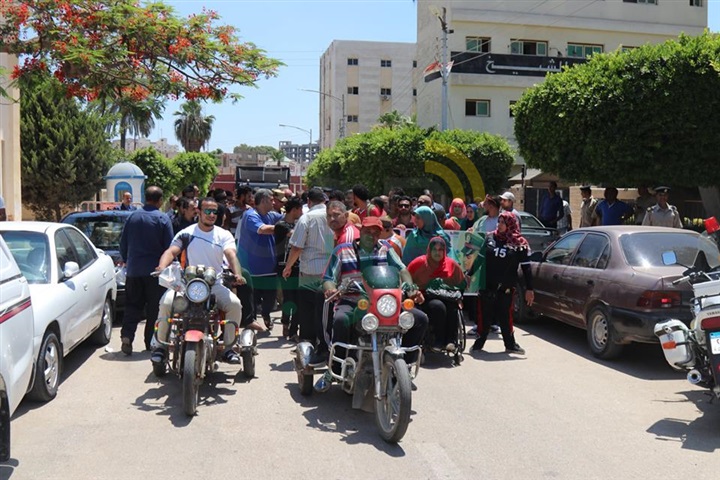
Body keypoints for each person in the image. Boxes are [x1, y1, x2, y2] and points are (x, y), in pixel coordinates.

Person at [320, 217, 428, 371]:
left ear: (380, 234)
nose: (371, 235)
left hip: (384, 302)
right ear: (360, 231)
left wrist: (411, 289)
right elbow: (328, 278)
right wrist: (331, 289)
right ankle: (336, 367)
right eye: (367, 231)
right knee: (340, 320)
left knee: (419, 319)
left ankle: (404, 363)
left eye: (376, 233)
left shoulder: (386, 248)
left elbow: (401, 269)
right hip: (353, 299)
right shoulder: (342, 250)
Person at [152, 197, 246, 364]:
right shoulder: (187, 233)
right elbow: (171, 251)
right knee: (166, 304)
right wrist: (161, 267)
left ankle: (228, 348)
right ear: (199, 212)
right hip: (186, 285)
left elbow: (231, 255)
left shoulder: (223, 235)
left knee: (235, 305)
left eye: (214, 212)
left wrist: (237, 273)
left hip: (214, 285)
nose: (211, 215)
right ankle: (161, 347)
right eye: (207, 211)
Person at [118, 186, 174, 354]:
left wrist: (128, 261)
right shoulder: (163, 219)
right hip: (156, 273)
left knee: (132, 306)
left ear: (145, 197)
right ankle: (150, 342)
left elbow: (123, 244)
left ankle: (127, 336)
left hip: (134, 271)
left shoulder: (132, 217)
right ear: (160, 200)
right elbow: (170, 248)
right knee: (154, 309)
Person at [472, 211, 534, 355]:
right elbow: (480, 259)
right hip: (487, 285)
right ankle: (479, 343)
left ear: (510, 224)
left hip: (506, 287)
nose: (499, 225)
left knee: (505, 316)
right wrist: (469, 275)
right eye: (498, 222)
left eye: (502, 222)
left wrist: (529, 289)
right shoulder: (489, 238)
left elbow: (526, 268)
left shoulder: (520, 244)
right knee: (484, 317)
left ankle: (510, 344)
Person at [282, 188, 334, 351]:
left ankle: (309, 344)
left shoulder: (306, 219)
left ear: (309, 201)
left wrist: (288, 267)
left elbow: (296, 247)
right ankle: (325, 344)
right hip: (331, 271)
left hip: (310, 271)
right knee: (327, 310)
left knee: (308, 311)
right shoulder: (333, 217)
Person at [407, 237, 466, 352]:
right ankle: (437, 341)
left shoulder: (451, 265)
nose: (437, 253)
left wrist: (459, 296)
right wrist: (413, 292)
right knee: (438, 306)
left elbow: (462, 283)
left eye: (440, 250)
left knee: (453, 307)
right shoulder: (419, 263)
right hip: (424, 298)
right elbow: (407, 277)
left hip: (448, 296)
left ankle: (450, 341)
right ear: (429, 250)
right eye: (435, 249)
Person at [238, 189, 284, 331]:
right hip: (251, 267)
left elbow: (286, 218)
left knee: (270, 299)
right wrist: (284, 229)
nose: (274, 202)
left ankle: (265, 315)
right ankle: (249, 325)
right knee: (252, 299)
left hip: (269, 266)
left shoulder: (271, 215)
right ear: (263, 201)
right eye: (271, 200)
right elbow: (263, 229)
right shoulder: (250, 215)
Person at [274, 198, 303, 339]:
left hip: (297, 266)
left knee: (297, 299)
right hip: (283, 266)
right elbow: (294, 235)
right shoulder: (281, 225)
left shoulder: (298, 224)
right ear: (294, 210)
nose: (302, 213)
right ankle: (285, 323)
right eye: (300, 209)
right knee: (288, 299)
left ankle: (293, 331)